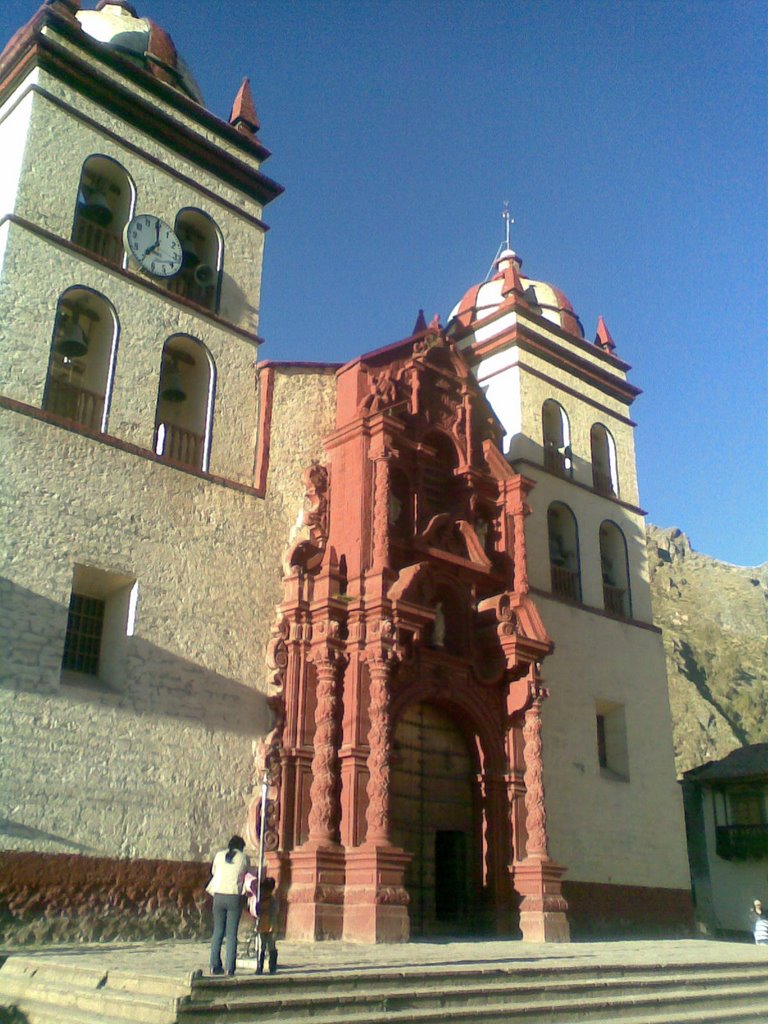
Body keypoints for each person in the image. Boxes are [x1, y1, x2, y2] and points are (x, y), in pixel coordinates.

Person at [207, 835, 249, 976]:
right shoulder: (243, 858)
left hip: (218, 895)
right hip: (234, 896)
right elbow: (245, 875)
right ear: (241, 847)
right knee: (231, 934)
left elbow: (214, 872)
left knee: (218, 931)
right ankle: (230, 967)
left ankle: (214, 965)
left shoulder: (219, 855)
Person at [253, 877, 279, 974]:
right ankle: (260, 967)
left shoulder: (272, 901)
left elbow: (274, 913)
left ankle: (272, 967)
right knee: (262, 947)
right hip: (262, 926)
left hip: (270, 925)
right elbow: (257, 912)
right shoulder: (261, 900)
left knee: (271, 946)